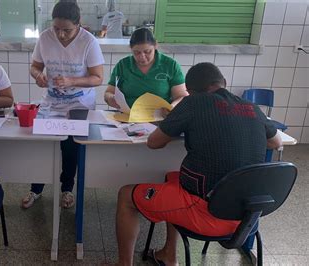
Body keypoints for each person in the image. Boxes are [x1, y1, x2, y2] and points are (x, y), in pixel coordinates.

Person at [114, 62, 282, 266]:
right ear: (224, 83)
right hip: (246, 215)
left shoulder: (193, 103)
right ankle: (169, 254)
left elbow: (154, 142)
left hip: (206, 212)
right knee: (172, 177)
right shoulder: (251, 107)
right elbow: (275, 142)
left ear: (190, 92)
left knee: (125, 195)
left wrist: (180, 120)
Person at [22, 1, 104, 209]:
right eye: (56, 28)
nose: (60, 35)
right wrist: (38, 75)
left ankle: (67, 189)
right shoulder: (45, 38)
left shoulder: (89, 42)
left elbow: (97, 78)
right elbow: (35, 67)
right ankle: (36, 189)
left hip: (79, 103)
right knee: (42, 146)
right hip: (52, 102)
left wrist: (72, 81)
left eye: (66, 30)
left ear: (79, 24)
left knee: (70, 148)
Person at [104, 28, 188, 114]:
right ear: (130, 49)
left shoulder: (170, 65)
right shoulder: (123, 65)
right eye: (137, 53)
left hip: (161, 118)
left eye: (147, 52)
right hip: (128, 117)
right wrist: (110, 98)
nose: (142, 57)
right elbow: (109, 92)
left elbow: (181, 96)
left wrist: (172, 107)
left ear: (155, 46)